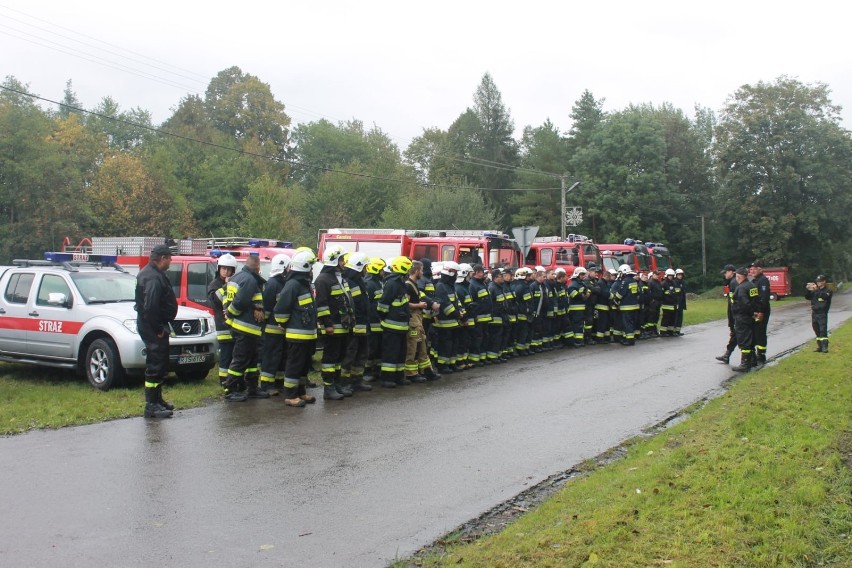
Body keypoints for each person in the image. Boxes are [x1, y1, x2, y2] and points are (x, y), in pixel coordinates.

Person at [135, 244, 178, 419]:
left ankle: (158, 400)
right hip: (153, 326)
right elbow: (150, 306)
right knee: (155, 363)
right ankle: (151, 405)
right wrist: (158, 329)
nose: (171, 261)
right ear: (163, 258)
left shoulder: (154, 273)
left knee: (161, 362)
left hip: (155, 324)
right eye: (170, 258)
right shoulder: (152, 277)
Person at [273, 248, 319, 407]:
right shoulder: (293, 285)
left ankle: (300, 392)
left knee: (303, 366)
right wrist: (286, 325)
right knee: (294, 365)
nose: (312, 270)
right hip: (297, 336)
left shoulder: (303, 285)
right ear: (305, 268)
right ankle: (290, 395)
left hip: (308, 335)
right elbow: (280, 310)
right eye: (311, 267)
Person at [224, 254, 269, 401]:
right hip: (245, 328)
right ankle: (230, 390)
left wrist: (228, 313)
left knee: (251, 361)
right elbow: (241, 302)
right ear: (257, 266)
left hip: (248, 328)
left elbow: (226, 297)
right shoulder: (249, 280)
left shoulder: (237, 277)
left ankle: (252, 388)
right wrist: (231, 313)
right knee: (241, 359)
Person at [314, 245, 352, 400]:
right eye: (341, 260)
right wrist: (327, 325)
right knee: (330, 358)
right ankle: (328, 388)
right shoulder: (323, 280)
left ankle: (336, 384)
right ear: (334, 261)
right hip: (333, 327)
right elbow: (322, 305)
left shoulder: (339, 278)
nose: (343, 262)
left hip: (342, 327)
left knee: (339, 357)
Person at [378, 256, 413, 388]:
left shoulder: (400, 283)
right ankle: (387, 379)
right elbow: (383, 305)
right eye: (408, 269)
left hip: (401, 326)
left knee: (400, 353)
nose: (409, 271)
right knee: (390, 354)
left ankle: (399, 377)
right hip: (392, 326)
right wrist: (385, 317)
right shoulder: (392, 283)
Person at [340, 252, 374, 392]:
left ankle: (357, 380)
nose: (366, 269)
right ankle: (344, 382)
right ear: (359, 267)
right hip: (354, 326)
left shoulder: (360, 281)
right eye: (365, 266)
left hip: (363, 325)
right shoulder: (347, 281)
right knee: (350, 355)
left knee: (362, 353)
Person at [259, 254, 290, 395]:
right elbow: (266, 308)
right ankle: (266, 384)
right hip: (272, 330)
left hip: (282, 329)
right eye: (288, 267)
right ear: (283, 268)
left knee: (281, 356)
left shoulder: (283, 283)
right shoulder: (272, 284)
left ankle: (278, 382)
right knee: (271, 356)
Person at [207, 253, 237, 390]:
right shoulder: (214, 284)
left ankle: (232, 382)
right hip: (222, 326)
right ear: (219, 269)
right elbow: (215, 301)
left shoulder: (233, 283)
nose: (226, 271)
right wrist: (226, 287)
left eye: (229, 269)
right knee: (225, 356)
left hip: (233, 325)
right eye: (224, 268)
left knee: (233, 356)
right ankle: (224, 382)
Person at [403, 260, 436, 382]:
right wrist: (419, 305)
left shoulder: (414, 284)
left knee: (422, 345)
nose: (422, 272)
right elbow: (405, 303)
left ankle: (427, 371)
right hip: (412, 319)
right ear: (416, 271)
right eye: (421, 270)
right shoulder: (408, 285)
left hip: (418, 318)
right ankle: (411, 373)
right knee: (412, 347)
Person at [731, 267, 758, 372]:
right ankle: (752, 360)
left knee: (744, 340)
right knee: (750, 339)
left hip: (742, 317)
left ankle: (745, 364)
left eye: (736, 276)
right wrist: (754, 313)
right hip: (750, 317)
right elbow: (755, 301)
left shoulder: (741, 288)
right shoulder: (752, 285)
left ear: (739, 276)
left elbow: (744, 304)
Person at [363, 257, 386, 381]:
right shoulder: (370, 284)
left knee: (378, 348)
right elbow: (368, 305)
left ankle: (376, 370)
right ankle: (367, 372)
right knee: (371, 348)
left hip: (378, 322)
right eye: (382, 269)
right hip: (372, 322)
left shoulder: (378, 282)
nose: (383, 271)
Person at [715, 264, 739, 364]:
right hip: (734, 314)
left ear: (731, 272)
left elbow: (735, 301)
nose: (724, 274)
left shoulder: (734, 283)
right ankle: (727, 355)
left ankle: (750, 358)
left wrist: (734, 317)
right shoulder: (732, 282)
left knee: (738, 336)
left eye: (725, 272)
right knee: (735, 336)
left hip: (736, 315)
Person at [749, 262, 771, 365]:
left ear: (760, 270)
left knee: (760, 332)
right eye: (751, 269)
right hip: (755, 311)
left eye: (754, 269)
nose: (752, 271)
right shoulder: (754, 280)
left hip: (761, 311)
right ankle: (756, 354)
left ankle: (761, 355)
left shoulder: (763, 280)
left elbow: (764, 297)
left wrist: (761, 311)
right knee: (755, 332)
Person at [805, 275, 833, 353]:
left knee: (822, 330)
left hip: (822, 313)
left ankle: (825, 347)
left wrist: (816, 290)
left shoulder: (828, 291)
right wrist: (808, 289)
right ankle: (820, 346)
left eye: (820, 281)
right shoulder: (815, 291)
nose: (818, 283)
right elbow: (807, 297)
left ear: (824, 281)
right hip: (814, 313)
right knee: (816, 330)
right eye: (817, 281)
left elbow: (824, 297)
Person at [566, 267, 589, 348]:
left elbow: (587, 292)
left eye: (584, 274)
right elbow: (574, 295)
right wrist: (583, 295)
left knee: (580, 325)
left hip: (581, 308)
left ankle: (579, 340)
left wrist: (585, 294)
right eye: (582, 274)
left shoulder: (581, 284)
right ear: (577, 275)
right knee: (576, 326)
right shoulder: (573, 285)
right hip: (575, 309)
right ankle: (577, 341)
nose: (583, 276)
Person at [673, 268, 687, 335]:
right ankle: (674, 330)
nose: (680, 276)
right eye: (679, 275)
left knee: (680, 317)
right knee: (675, 317)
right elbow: (676, 294)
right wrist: (677, 303)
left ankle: (678, 330)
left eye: (681, 275)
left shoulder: (682, 282)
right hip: (676, 302)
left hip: (681, 302)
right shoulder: (675, 282)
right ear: (676, 275)